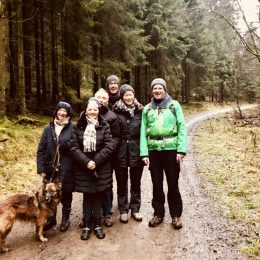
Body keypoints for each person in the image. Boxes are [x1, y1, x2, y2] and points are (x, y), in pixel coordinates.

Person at [140, 78, 187, 229]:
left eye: (160, 88)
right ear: (152, 90)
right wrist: (144, 153)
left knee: (172, 184)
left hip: (171, 150)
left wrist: (181, 150)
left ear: (165, 90)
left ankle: (175, 215)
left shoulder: (174, 106)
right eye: (155, 88)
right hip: (154, 150)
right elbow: (142, 131)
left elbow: (182, 127)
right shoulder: (147, 109)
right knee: (156, 183)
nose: (157, 91)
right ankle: (158, 213)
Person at [69, 98, 113, 240]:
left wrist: (96, 161)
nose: (92, 112)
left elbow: (109, 146)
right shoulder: (78, 126)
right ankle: (87, 225)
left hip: (101, 166)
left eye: (95, 109)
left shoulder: (104, 125)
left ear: (98, 111)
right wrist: (86, 162)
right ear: (85, 110)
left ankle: (98, 225)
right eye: (90, 109)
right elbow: (73, 147)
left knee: (99, 195)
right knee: (87, 196)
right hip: (84, 167)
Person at [37, 101, 74, 232]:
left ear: (68, 114)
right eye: (60, 110)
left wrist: (66, 146)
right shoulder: (48, 128)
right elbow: (41, 149)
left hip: (66, 167)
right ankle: (51, 219)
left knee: (66, 193)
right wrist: (41, 168)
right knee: (49, 195)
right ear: (56, 112)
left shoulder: (72, 128)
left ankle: (65, 219)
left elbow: (76, 146)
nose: (62, 113)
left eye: (65, 112)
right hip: (49, 168)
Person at [113, 84, 144, 223]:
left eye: (131, 94)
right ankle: (123, 210)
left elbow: (145, 132)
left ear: (134, 95)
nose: (129, 97)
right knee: (121, 182)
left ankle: (135, 209)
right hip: (120, 150)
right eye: (126, 95)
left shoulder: (140, 111)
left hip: (136, 149)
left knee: (136, 182)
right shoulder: (116, 111)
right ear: (122, 96)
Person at [94, 88, 120, 227]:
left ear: (107, 101)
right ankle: (91, 214)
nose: (101, 100)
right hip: (89, 158)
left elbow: (116, 137)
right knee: (90, 186)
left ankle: (107, 213)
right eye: (99, 97)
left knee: (106, 185)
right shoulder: (86, 113)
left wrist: (106, 152)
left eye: (104, 98)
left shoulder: (111, 116)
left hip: (106, 158)